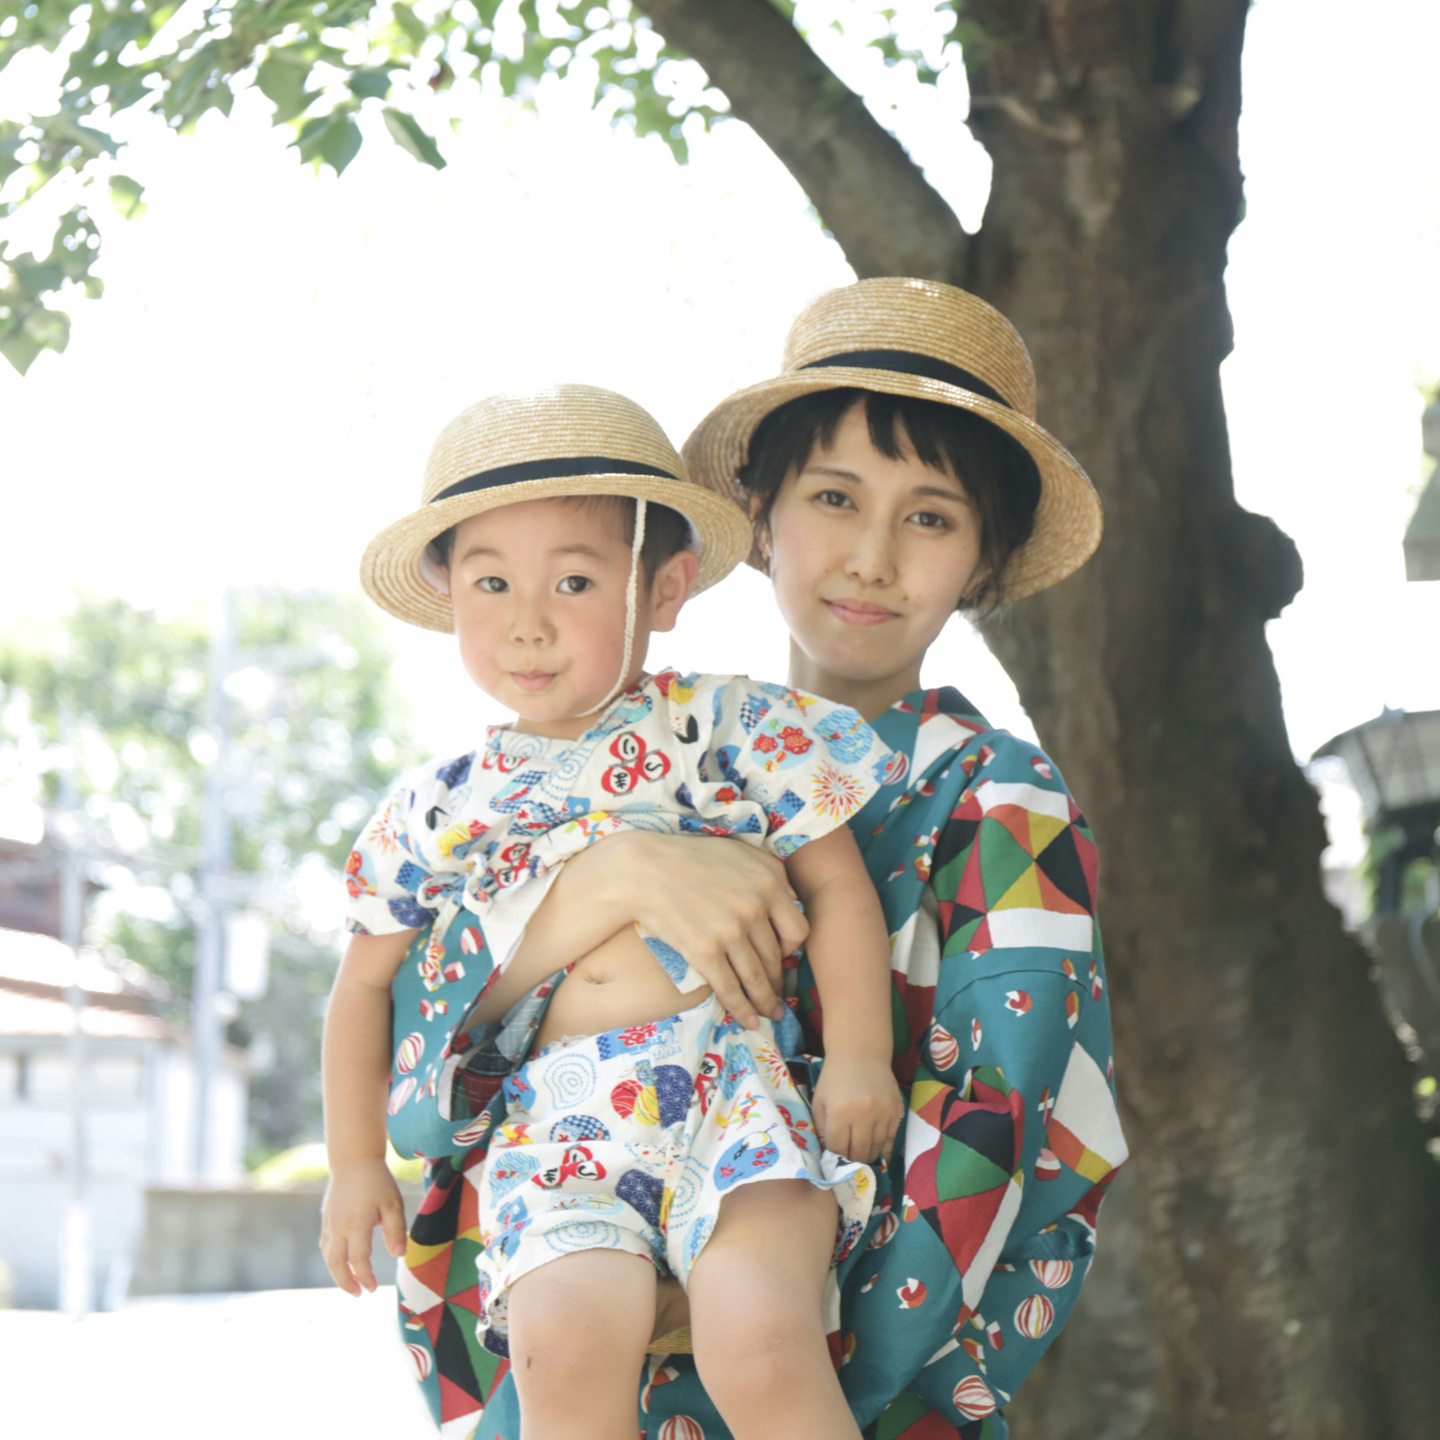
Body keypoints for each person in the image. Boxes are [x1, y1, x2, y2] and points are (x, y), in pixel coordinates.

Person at [387, 281, 1128, 1440]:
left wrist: (749, 1340)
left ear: (984, 560)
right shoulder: (655, 753)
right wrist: (612, 882)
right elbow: (416, 1056)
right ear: (759, 509)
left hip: (820, 1382)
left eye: (930, 518)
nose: (871, 556)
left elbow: (1003, 1129)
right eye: (834, 498)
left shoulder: (1000, 798)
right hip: (577, 1332)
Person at [320, 383, 906, 1440]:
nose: (528, 623)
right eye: (490, 583)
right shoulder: (441, 805)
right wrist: (357, 1161)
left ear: (667, 588)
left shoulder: (727, 726)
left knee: (765, 1342)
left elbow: (836, 884)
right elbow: (364, 979)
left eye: (576, 580)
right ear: (448, 596)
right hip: (560, 1131)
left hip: (733, 1095)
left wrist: (862, 1055)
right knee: (563, 1352)